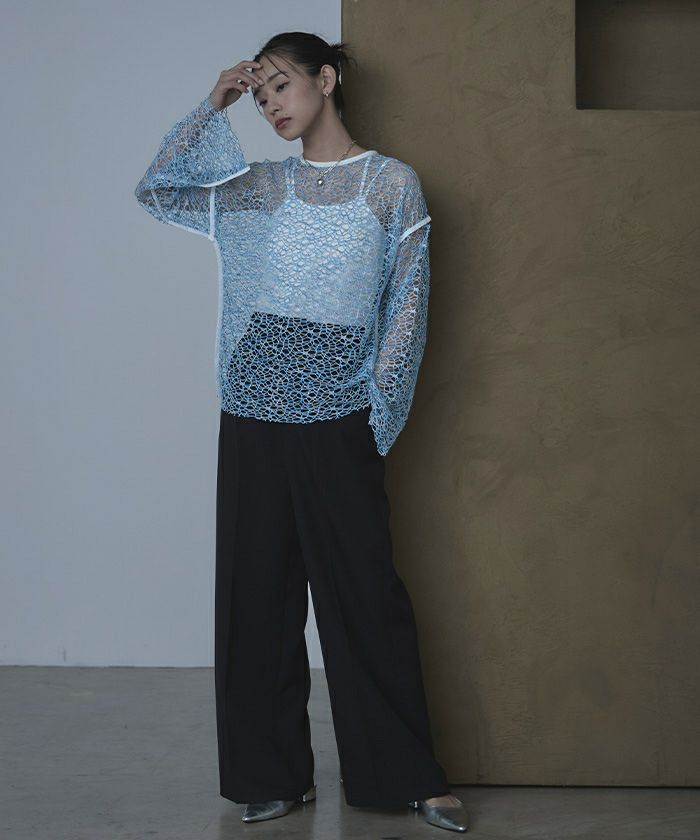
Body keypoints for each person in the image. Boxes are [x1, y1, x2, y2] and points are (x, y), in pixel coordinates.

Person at [134, 30, 469, 834]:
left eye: (279, 86)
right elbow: (158, 190)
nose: (270, 106)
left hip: (342, 401)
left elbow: (407, 306)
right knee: (256, 594)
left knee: (365, 596)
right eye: (259, 97)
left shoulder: (391, 184)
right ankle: (271, 775)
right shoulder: (262, 184)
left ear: (326, 79)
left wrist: (378, 410)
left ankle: (405, 776)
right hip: (254, 395)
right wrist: (211, 106)